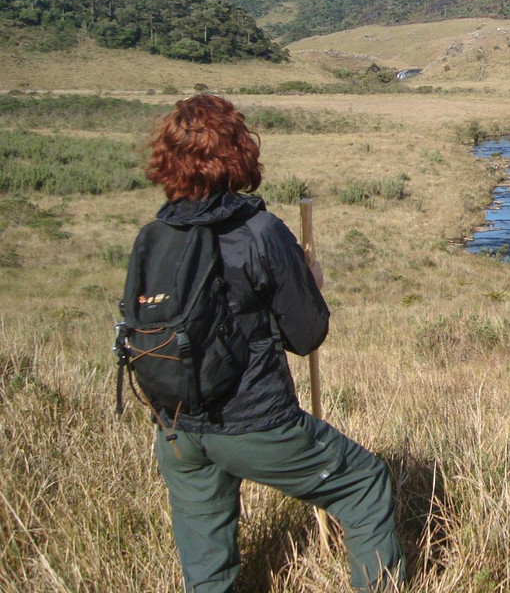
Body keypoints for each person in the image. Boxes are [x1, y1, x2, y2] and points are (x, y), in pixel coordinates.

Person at [135, 93, 403, 592]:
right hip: (251, 421)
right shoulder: (260, 230)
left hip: (174, 425)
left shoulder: (153, 234)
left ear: (168, 158)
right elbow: (307, 335)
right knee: (365, 483)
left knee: (207, 561)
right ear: (239, 152)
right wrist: (309, 284)